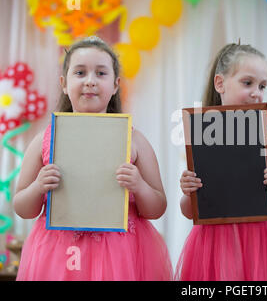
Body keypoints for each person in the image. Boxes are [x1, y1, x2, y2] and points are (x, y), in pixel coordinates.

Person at [14, 36, 173, 280]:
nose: (90, 81)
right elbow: (23, 208)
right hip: (59, 252)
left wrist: (139, 185)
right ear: (64, 83)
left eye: (101, 73)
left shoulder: (135, 141)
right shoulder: (45, 139)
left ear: (116, 84)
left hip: (120, 252)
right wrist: (38, 187)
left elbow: (157, 208)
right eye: (80, 73)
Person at [176, 43, 267, 281]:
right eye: (247, 82)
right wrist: (187, 190)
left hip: (260, 243)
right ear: (220, 83)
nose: (257, 92)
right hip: (213, 245)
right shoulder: (201, 136)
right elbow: (189, 211)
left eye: (262, 86)